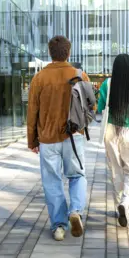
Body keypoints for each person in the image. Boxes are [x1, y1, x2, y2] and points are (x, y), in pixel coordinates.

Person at [27, 35, 90, 241]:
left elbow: (32, 111)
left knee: (52, 182)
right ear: (68, 53)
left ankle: (59, 227)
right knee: (77, 175)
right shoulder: (80, 75)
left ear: (50, 53)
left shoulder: (39, 78)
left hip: (47, 138)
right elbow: (92, 107)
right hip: (74, 136)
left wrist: (32, 140)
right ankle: (76, 211)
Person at [97, 54, 129, 227]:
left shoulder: (107, 84)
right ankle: (125, 203)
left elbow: (100, 107)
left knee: (115, 169)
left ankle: (118, 204)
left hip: (111, 130)